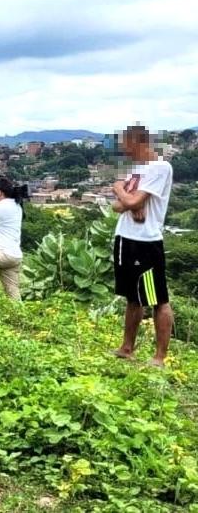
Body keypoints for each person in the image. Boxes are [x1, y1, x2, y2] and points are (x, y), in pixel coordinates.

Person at [110, 124, 174, 367]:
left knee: (158, 298)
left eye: (125, 146)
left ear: (138, 142)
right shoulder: (137, 169)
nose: (124, 151)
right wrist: (132, 203)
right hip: (125, 239)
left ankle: (160, 356)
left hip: (146, 243)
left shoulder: (159, 167)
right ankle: (126, 348)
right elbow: (117, 206)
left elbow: (128, 198)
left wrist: (120, 190)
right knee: (132, 297)